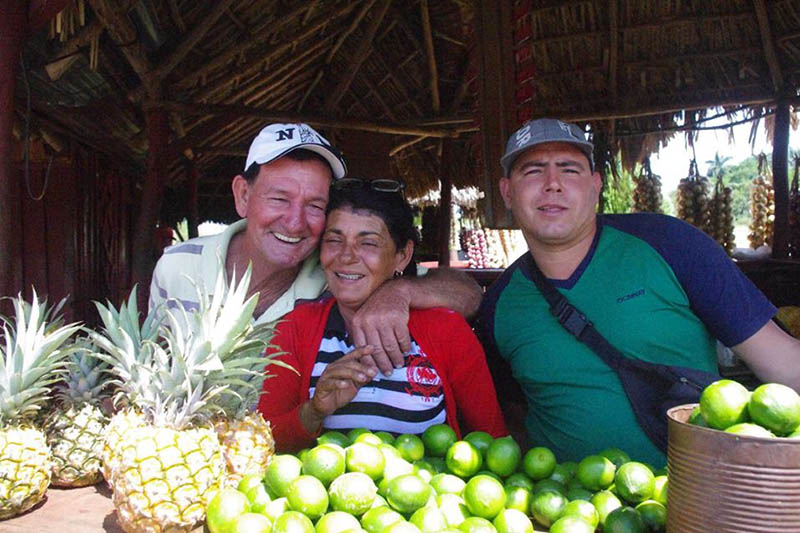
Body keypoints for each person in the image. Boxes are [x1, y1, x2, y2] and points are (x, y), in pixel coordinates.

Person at [477, 118, 800, 466]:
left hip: (701, 501)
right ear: (507, 192)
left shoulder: (671, 246)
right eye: (533, 171)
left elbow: (785, 365)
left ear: (595, 185)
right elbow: (512, 415)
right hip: (569, 513)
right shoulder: (501, 305)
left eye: (569, 170)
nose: (553, 184)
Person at [149, 123, 482, 374]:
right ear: (243, 195)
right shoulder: (176, 266)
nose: (295, 223)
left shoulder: (337, 270)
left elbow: (468, 293)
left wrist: (399, 293)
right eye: (280, 199)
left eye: (315, 205)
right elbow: (153, 366)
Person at [258, 178, 507, 451]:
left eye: (368, 244)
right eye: (334, 240)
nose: (346, 257)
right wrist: (315, 410)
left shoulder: (447, 331)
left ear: (402, 255)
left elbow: (494, 446)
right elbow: (264, 443)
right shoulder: (295, 328)